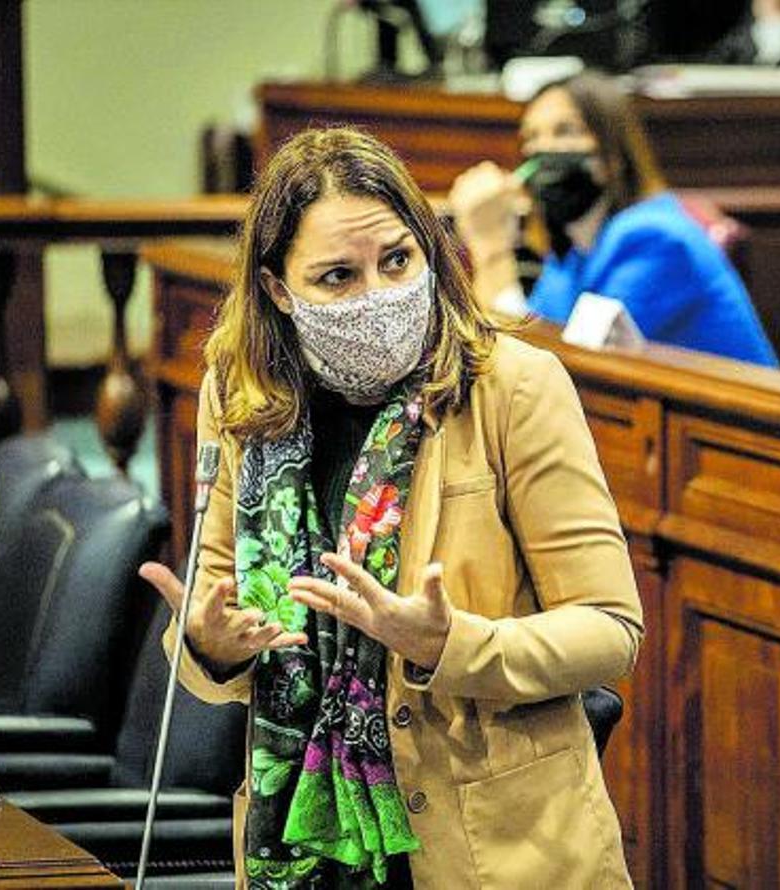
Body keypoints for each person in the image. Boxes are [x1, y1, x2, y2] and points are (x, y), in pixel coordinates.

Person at [138, 126, 642, 889]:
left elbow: (611, 631)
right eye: (337, 277)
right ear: (279, 290)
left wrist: (449, 644)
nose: (377, 297)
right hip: (304, 849)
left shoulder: (513, 387)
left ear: (430, 252)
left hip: (494, 848)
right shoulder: (243, 401)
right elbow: (218, 656)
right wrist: (209, 646)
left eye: (397, 261)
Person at [448, 71, 779, 367]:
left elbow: (549, 372)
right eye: (531, 138)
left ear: (612, 155)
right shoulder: (572, 253)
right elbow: (517, 345)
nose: (544, 149)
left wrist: (491, 247)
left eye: (565, 132)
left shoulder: (655, 239)